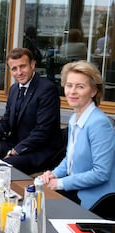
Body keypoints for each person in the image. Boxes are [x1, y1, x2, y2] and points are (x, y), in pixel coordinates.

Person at [40, 60, 115, 210]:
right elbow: (70, 158)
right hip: (76, 189)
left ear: (93, 91)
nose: (72, 91)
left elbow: (101, 173)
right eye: (69, 85)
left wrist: (61, 183)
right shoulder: (75, 118)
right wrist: (54, 174)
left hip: (97, 200)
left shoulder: (99, 123)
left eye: (80, 86)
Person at [0, 48, 63, 175]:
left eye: (22, 66)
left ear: (32, 65)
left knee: (4, 169)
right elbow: (6, 121)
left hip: (39, 149)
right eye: (14, 69)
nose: (19, 72)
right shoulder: (14, 89)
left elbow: (43, 130)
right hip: (16, 142)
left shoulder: (47, 89)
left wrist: (15, 151)